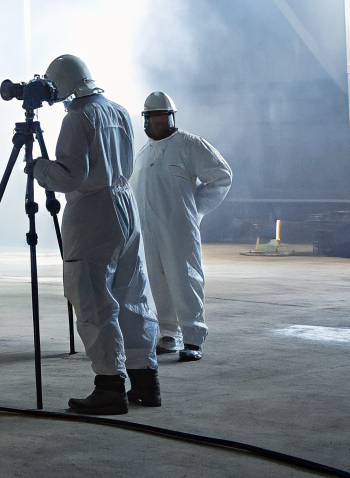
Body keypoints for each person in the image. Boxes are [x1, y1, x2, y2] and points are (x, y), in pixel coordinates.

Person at [29, 55, 161, 415]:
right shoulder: (117, 111)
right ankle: (145, 380)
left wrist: (39, 169)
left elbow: (70, 176)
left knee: (92, 296)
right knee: (132, 293)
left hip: (92, 211)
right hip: (124, 203)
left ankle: (109, 387)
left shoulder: (77, 118)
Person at [132, 91, 232, 363]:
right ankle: (168, 333)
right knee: (156, 280)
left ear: (172, 117)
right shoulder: (142, 154)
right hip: (149, 231)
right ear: (146, 120)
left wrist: (195, 210)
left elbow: (221, 177)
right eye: (153, 118)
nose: (159, 123)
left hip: (179, 229)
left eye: (163, 117)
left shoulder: (189, 145)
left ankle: (193, 337)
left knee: (185, 279)